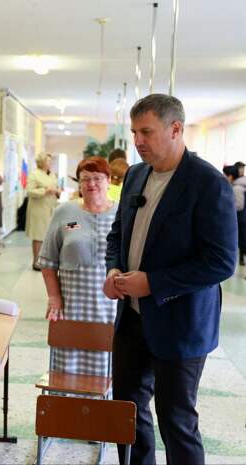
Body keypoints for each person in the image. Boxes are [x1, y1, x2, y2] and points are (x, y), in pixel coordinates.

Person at [103, 94, 237, 465]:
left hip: (181, 324)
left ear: (175, 129)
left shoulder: (207, 183)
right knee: (127, 413)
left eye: (146, 132)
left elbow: (221, 262)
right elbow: (118, 233)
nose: (137, 141)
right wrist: (113, 270)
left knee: (176, 420)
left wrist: (153, 283)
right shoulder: (135, 174)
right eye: (134, 132)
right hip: (131, 319)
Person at [39, 157, 117, 376]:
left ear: (108, 180)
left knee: (107, 369)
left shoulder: (123, 214)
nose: (91, 184)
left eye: (97, 178)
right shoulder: (64, 213)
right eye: (85, 179)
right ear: (79, 184)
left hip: (109, 308)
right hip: (71, 305)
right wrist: (54, 297)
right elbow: (48, 261)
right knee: (67, 368)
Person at [26, 152, 60, 270]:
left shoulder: (51, 174)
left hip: (50, 208)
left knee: (47, 236)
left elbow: (54, 187)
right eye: (48, 160)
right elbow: (29, 191)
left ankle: (43, 260)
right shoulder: (34, 174)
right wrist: (45, 190)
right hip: (38, 210)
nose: (50, 163)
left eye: (51, 160)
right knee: (38, 236)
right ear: (42, 162)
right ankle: (36, 262)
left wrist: (57, 191)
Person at [223, 165, 246, 266]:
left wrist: (226, 209)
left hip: (241, 219)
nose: (223, 177)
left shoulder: (236, 188)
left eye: (225, 175)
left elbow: (239, 205)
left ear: (230, 176)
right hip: (242, 219)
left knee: (243, 242)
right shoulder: (240, 186)